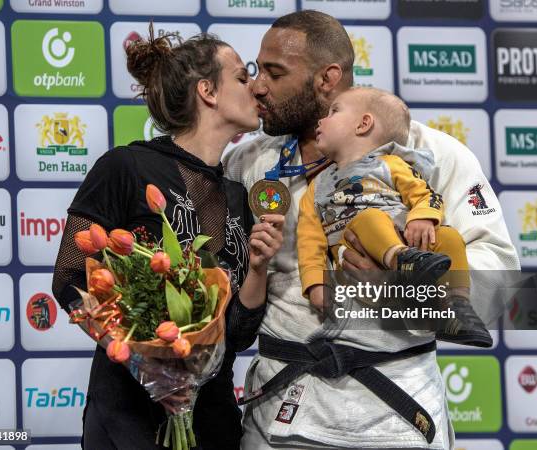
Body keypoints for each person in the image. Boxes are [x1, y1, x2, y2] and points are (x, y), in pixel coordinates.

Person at [222, 10, 520, 450]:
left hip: (394, 416)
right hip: (282, 413)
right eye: (256, 69)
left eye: (275, 72)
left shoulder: (429, 153)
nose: (258, 85)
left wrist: (405, 290)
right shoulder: (249, 164)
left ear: (328, 77)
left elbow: (499, 273)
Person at [52, 28, 284, 450]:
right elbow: (70, 278)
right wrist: (148, 365)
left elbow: (238, 333)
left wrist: (258, 268)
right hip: (129, 412)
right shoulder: (125, 166)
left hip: (212, 416)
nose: (255, 86)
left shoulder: (237, 194)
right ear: (207, 91)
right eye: (241, 75)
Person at [298, 86, 493, 348]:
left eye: (334, 111)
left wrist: (422, 218)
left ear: (363, 124)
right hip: (354, 262)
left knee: (449, 236)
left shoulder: (393, 164)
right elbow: (309, 242)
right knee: (370, 219)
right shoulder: (317, 186)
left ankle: (456, 306)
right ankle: (402, 263)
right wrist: (315, 285)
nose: (321, 119)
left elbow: (427, 195)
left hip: (408, 244)